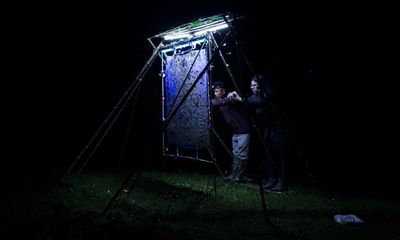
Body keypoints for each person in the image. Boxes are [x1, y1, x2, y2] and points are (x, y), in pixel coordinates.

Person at [233, 75, 289, 192]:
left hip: (279, 129)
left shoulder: (268, 95)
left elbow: (259, 102)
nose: (251, 87)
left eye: (254, 85)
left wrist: (240, 99)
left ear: (260, 86)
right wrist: (237, 99)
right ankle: (272, 179)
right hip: (268, 129)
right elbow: (250, 101)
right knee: (270, 155)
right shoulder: (256, 96)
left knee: (281, 156)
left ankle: (282, 182)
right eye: (251, 85)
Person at [211, 81, 251, 183]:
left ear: (223, 91)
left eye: (217, 91)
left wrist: (231, 96)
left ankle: (239, 175)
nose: (215, 94)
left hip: (243, 131)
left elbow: (227, 100)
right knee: (236, 154)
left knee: (242, 155)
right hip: (236, 132)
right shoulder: (221, 100)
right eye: (214, 92)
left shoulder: (230, 98)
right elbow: (218, 102)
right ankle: (235, 174)